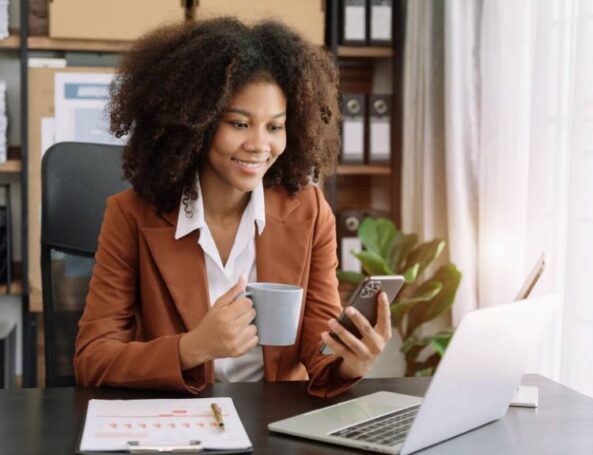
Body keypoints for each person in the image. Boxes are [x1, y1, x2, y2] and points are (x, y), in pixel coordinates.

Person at [74, 17, 392, 397]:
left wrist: (349, 361)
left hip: (273, 427)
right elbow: (92, 359)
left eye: (275, 127)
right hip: (180, 425)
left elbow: (317, 340)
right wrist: (192, 347)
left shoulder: (309, 212)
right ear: (197, 124)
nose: (260, 145)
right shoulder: (131, 215)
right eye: (240, 124)